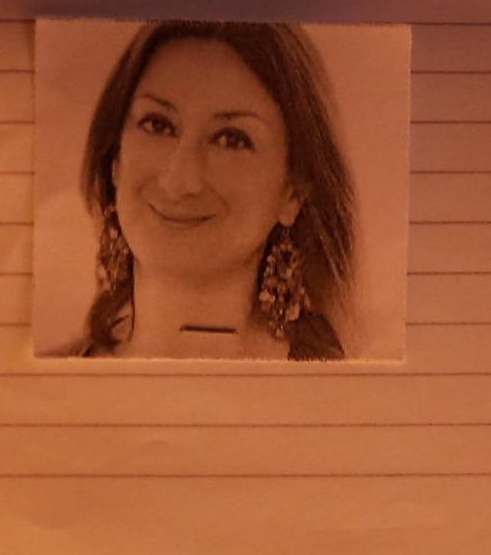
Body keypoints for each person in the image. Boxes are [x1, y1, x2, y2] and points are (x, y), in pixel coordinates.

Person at [72, 19, 355, 360]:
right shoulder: (46, 383)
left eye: (231, 139)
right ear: (115, 158)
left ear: (293, 192)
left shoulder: (341, 396)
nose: (178, 181)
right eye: (157, 125)